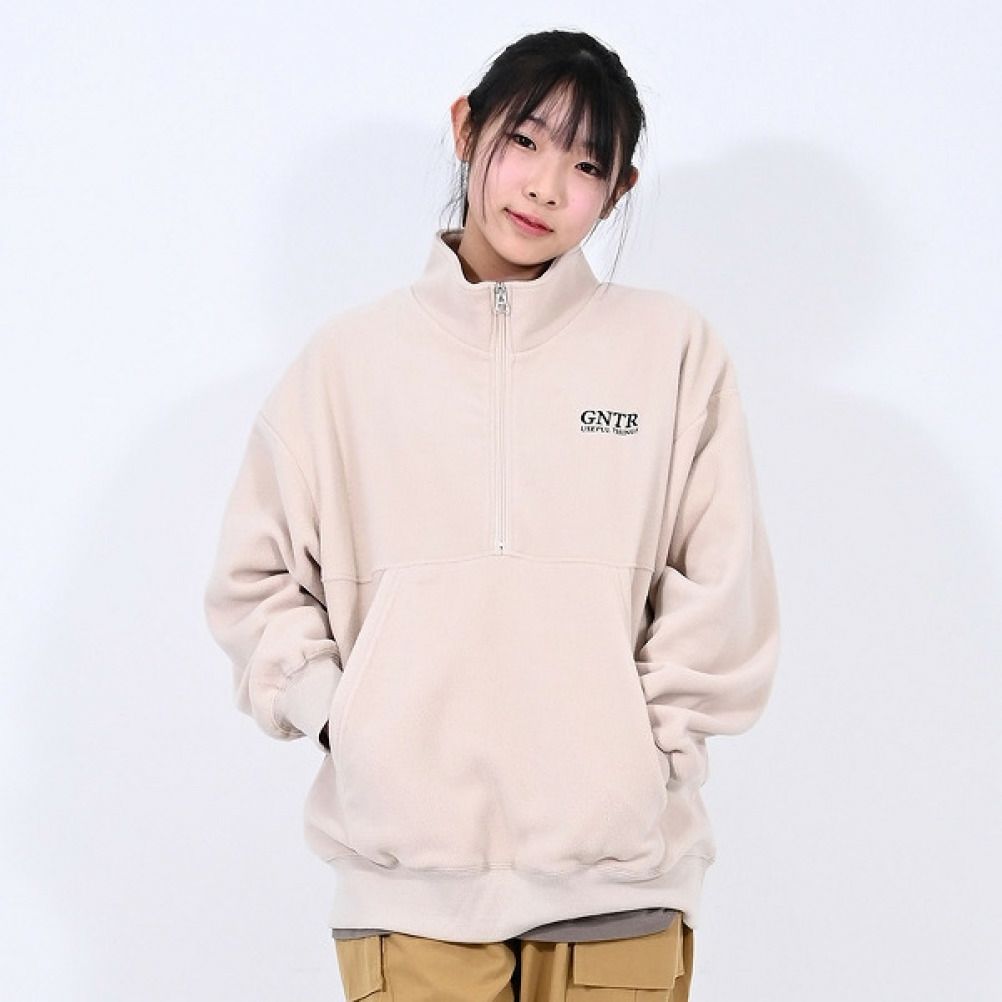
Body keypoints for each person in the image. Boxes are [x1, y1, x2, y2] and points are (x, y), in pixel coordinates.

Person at [203, 28, 780, 1002]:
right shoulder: (347, 363)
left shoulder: (672, 351)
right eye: (525, 140)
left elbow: (721, 588)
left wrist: (646, 757)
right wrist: (346, 720)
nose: (547, 186)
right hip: (407, 890)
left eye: (586, 164)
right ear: (467, 129)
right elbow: (254, 581)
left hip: (620, 883)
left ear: (619, 190)